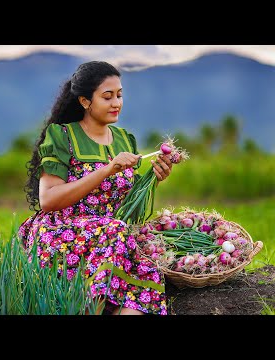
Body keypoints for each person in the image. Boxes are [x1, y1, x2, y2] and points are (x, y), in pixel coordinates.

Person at [17, 61, 173, 315]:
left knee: (147, 274)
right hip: (64, 233)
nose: (116, 103)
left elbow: (124, 203)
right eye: (107, 97)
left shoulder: (125, 140)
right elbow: (48, 200)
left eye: (120, 95)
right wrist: (106, 170)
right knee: (115, 231)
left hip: (112, 236)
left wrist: (153, 179)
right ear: (85, 101)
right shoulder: (62, 136)